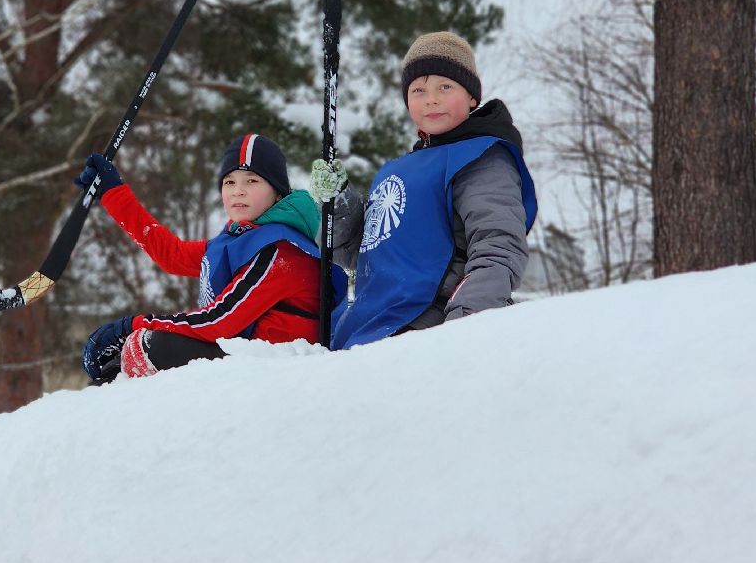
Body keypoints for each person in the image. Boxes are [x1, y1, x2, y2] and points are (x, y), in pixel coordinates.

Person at [309, 31, 537, 350]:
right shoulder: (399, 169)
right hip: (369, 332)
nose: (431, 98)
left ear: (472, 96)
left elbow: (498, 247)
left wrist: (462, 330)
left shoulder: (480, 158)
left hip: (428, 330)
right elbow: (367, 256)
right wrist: (340, 203)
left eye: (445, 86)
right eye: (419, 89)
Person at [78, 133, 345, 383]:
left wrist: (131, 325)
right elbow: (172, 255)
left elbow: (219, 320)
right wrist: (113, 192)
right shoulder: (238, 241)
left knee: (148, 344)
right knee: (130, 355)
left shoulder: (281, 251)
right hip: (248, 360)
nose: (238, 191)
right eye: (230, 182)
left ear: (277, 191)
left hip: (278, 373)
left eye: (252, 180)